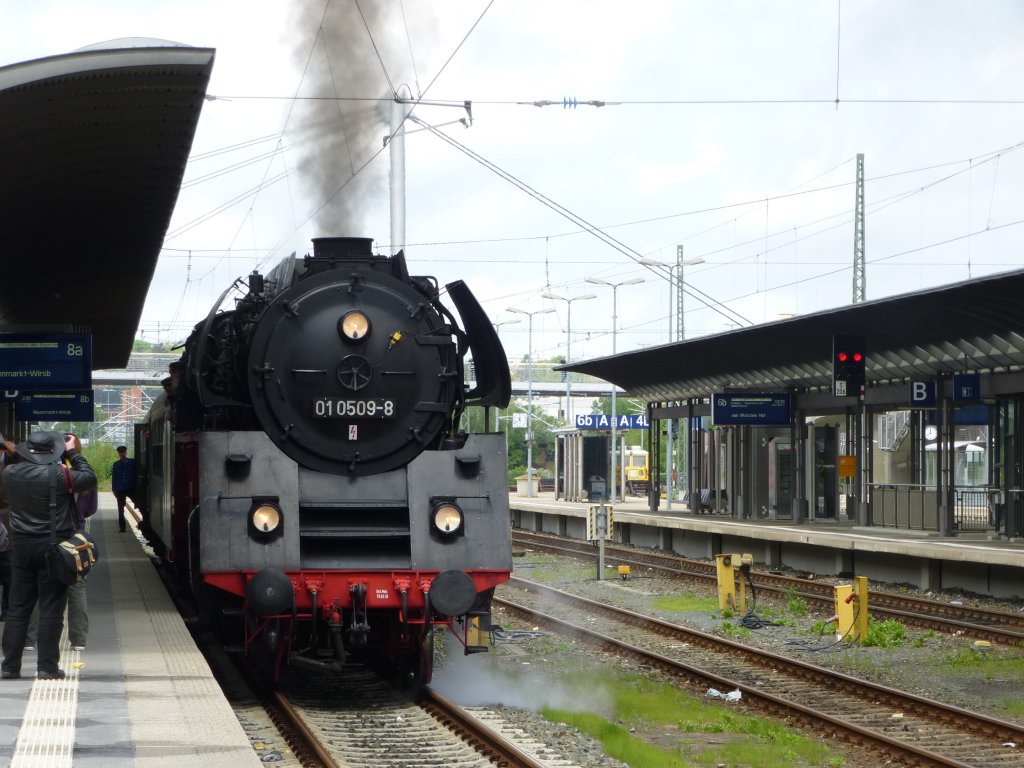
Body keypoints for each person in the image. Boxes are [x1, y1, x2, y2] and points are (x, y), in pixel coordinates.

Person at [1, 431, 96, 680]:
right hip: (53, 548)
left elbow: (12, 470)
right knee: (51, 608)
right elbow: (89, 478)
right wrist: (72, 452)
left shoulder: (9, 474)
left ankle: (10, 666)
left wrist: (15, 455)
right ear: (52, 452)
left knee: (18, 608)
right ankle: (47, 667)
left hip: (20, 547)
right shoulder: (60, 474)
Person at [111, 445, 137, 533]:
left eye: (123, 452)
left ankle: (145, 522)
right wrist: (114, 489)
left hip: (130, 488)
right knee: (120, 509)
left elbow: (135, 474)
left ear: (125, 452)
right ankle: (122, 528)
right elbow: (114, 477)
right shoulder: (116, 464)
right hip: (120, 489)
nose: (122, 454)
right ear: (118, 453)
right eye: (120, 452)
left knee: (139, 504)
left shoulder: (132, 462)